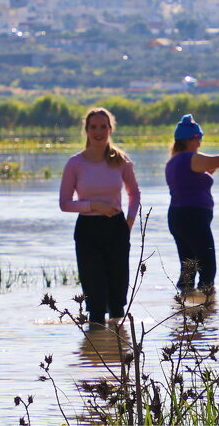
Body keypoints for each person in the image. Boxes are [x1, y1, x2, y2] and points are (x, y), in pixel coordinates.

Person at [59, 108, 140, 326]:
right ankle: (94, 355)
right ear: (86, 130)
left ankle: (118, 352)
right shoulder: (75, 163)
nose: (98, 132)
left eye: (103, 127)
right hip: (87, 230)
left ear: (110, 129)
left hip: (116, 229)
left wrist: (129, 222)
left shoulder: (121, 160)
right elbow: (64, 204)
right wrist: (93, 205)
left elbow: (134, 193)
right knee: (94, 300)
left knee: (117, 298)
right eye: (93, 127)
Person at [166, 114, 219, 294]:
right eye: (199, 139)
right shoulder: (190, 158)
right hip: (193, 218)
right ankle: (206, 309)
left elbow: (199, 177)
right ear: (190, 139)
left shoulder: (174, 161)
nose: (200, 143)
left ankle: (184, 303)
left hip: (177, 217)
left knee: (188, 266)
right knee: (207, 265)